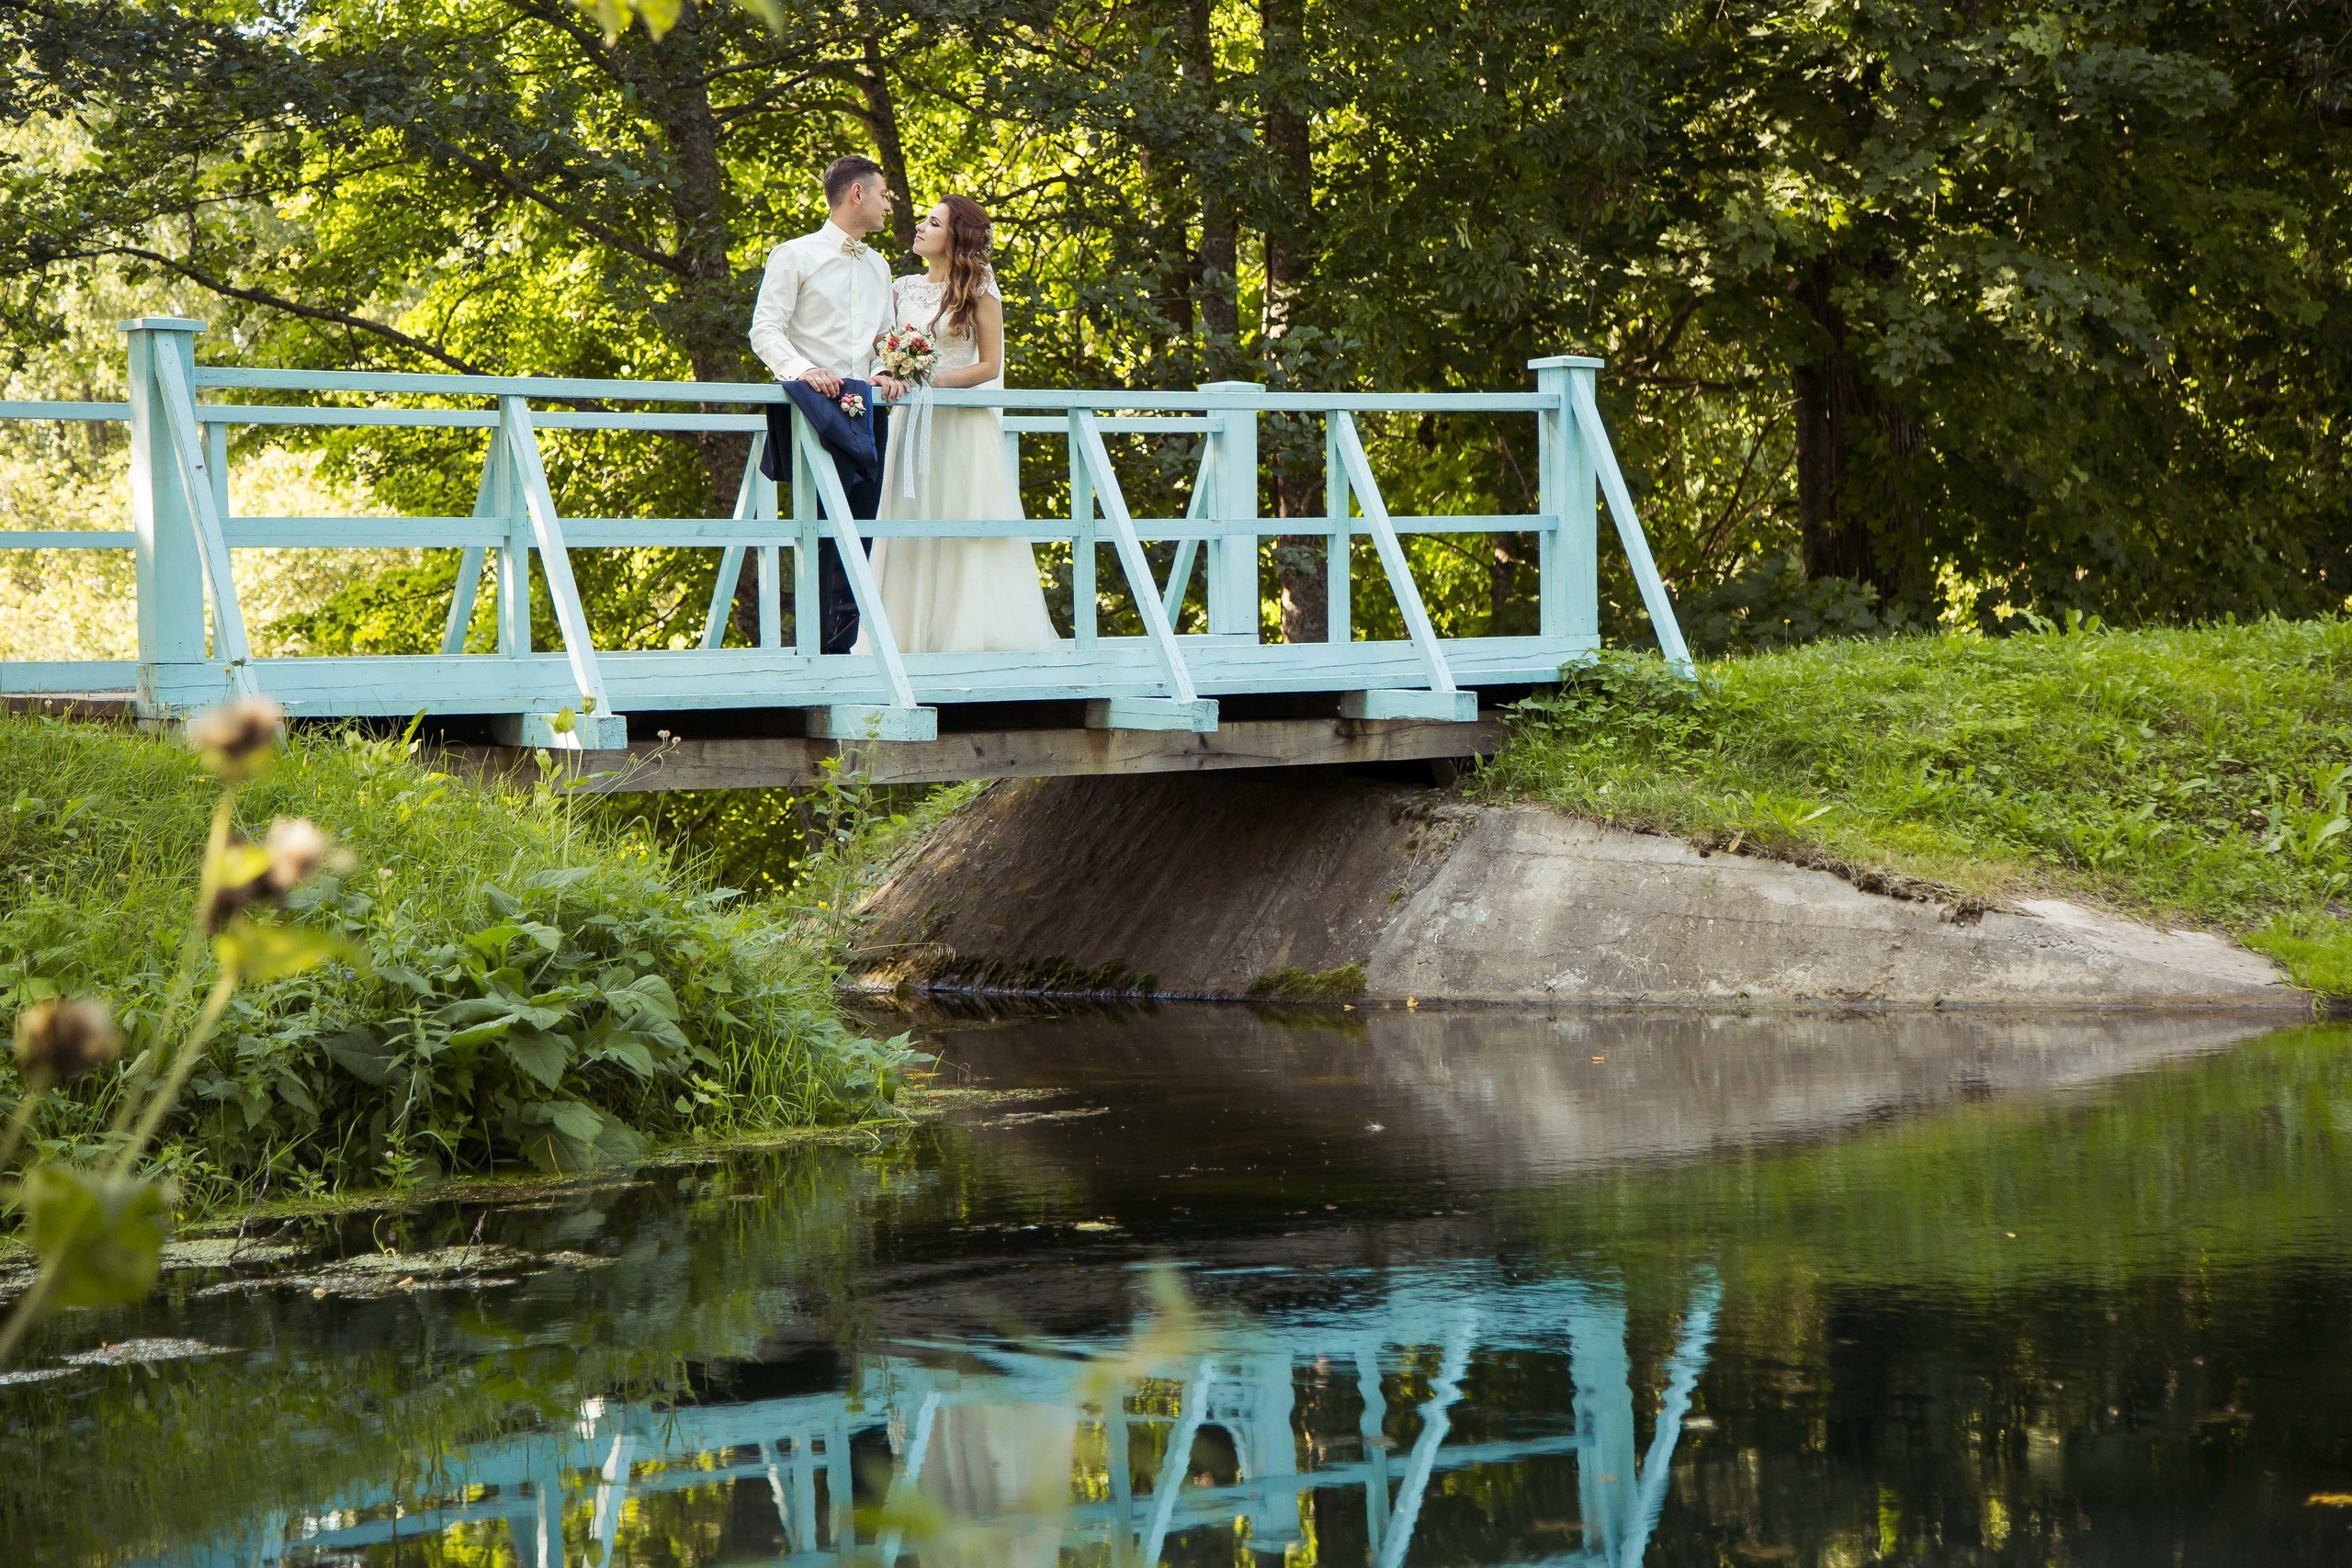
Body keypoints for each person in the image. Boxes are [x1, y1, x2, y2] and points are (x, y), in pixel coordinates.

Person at [861, 196, 1059, 654]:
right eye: (925, 221)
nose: (921, 228)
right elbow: (880, 347)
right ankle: (905, 640)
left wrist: (931, 382)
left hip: (962, 426)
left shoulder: (980, 288)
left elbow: (990, 366)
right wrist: (891, 372)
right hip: (912, 425)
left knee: (961, 519)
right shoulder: (901, 289)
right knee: (910, 521)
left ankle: (968, 639)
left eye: (934, 223)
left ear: (955, 238)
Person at [747, 155, 908, 652]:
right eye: (883, 194)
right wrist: (802, 371)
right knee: (817, 532)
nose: (890, 204)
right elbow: (764, 330)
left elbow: (882, 338)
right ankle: (812, 654)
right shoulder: (794, 255)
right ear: (857, 194)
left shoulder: (879, 265)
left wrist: (889, 368)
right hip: (812, 414)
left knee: (860, 534)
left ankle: (843, 653)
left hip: (868, 411)